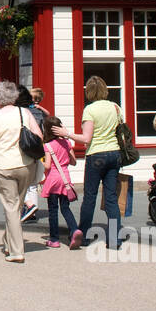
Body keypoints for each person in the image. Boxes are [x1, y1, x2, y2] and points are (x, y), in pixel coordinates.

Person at [56, 76, 124, 249]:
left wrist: (67, 133)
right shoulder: (116, 107)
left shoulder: (90, 110)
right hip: (114, 153)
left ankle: (84, 235)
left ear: (89, 92)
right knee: (111, 197)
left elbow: (86, 138)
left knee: (90, 197)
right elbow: (121, 133)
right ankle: (115, 238)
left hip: (97, 155)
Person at [0, 81, 43, 263]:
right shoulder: (25, 113)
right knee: (16, 206)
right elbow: (39, 136)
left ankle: (16, 251)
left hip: (3, 166)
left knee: (11, 207)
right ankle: (8, 241)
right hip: (25, 165)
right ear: (15, 96)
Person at [39, 114, 79, 249]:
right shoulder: (67, 143)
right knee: (65, 207)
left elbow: (48, 166)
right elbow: (73, 162)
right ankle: (74, 230)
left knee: (53, 210)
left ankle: (54, 239)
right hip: (65, 178)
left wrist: (39, 164)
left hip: (53, 180)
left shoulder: (48, 146)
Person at [20, 86, 48, 223]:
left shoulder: (24, 112)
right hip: (38, 149)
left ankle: (28, 206)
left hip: (25, 148)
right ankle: (33, 210)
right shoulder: (41, 113)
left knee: (21, 182)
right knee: (33, 183)